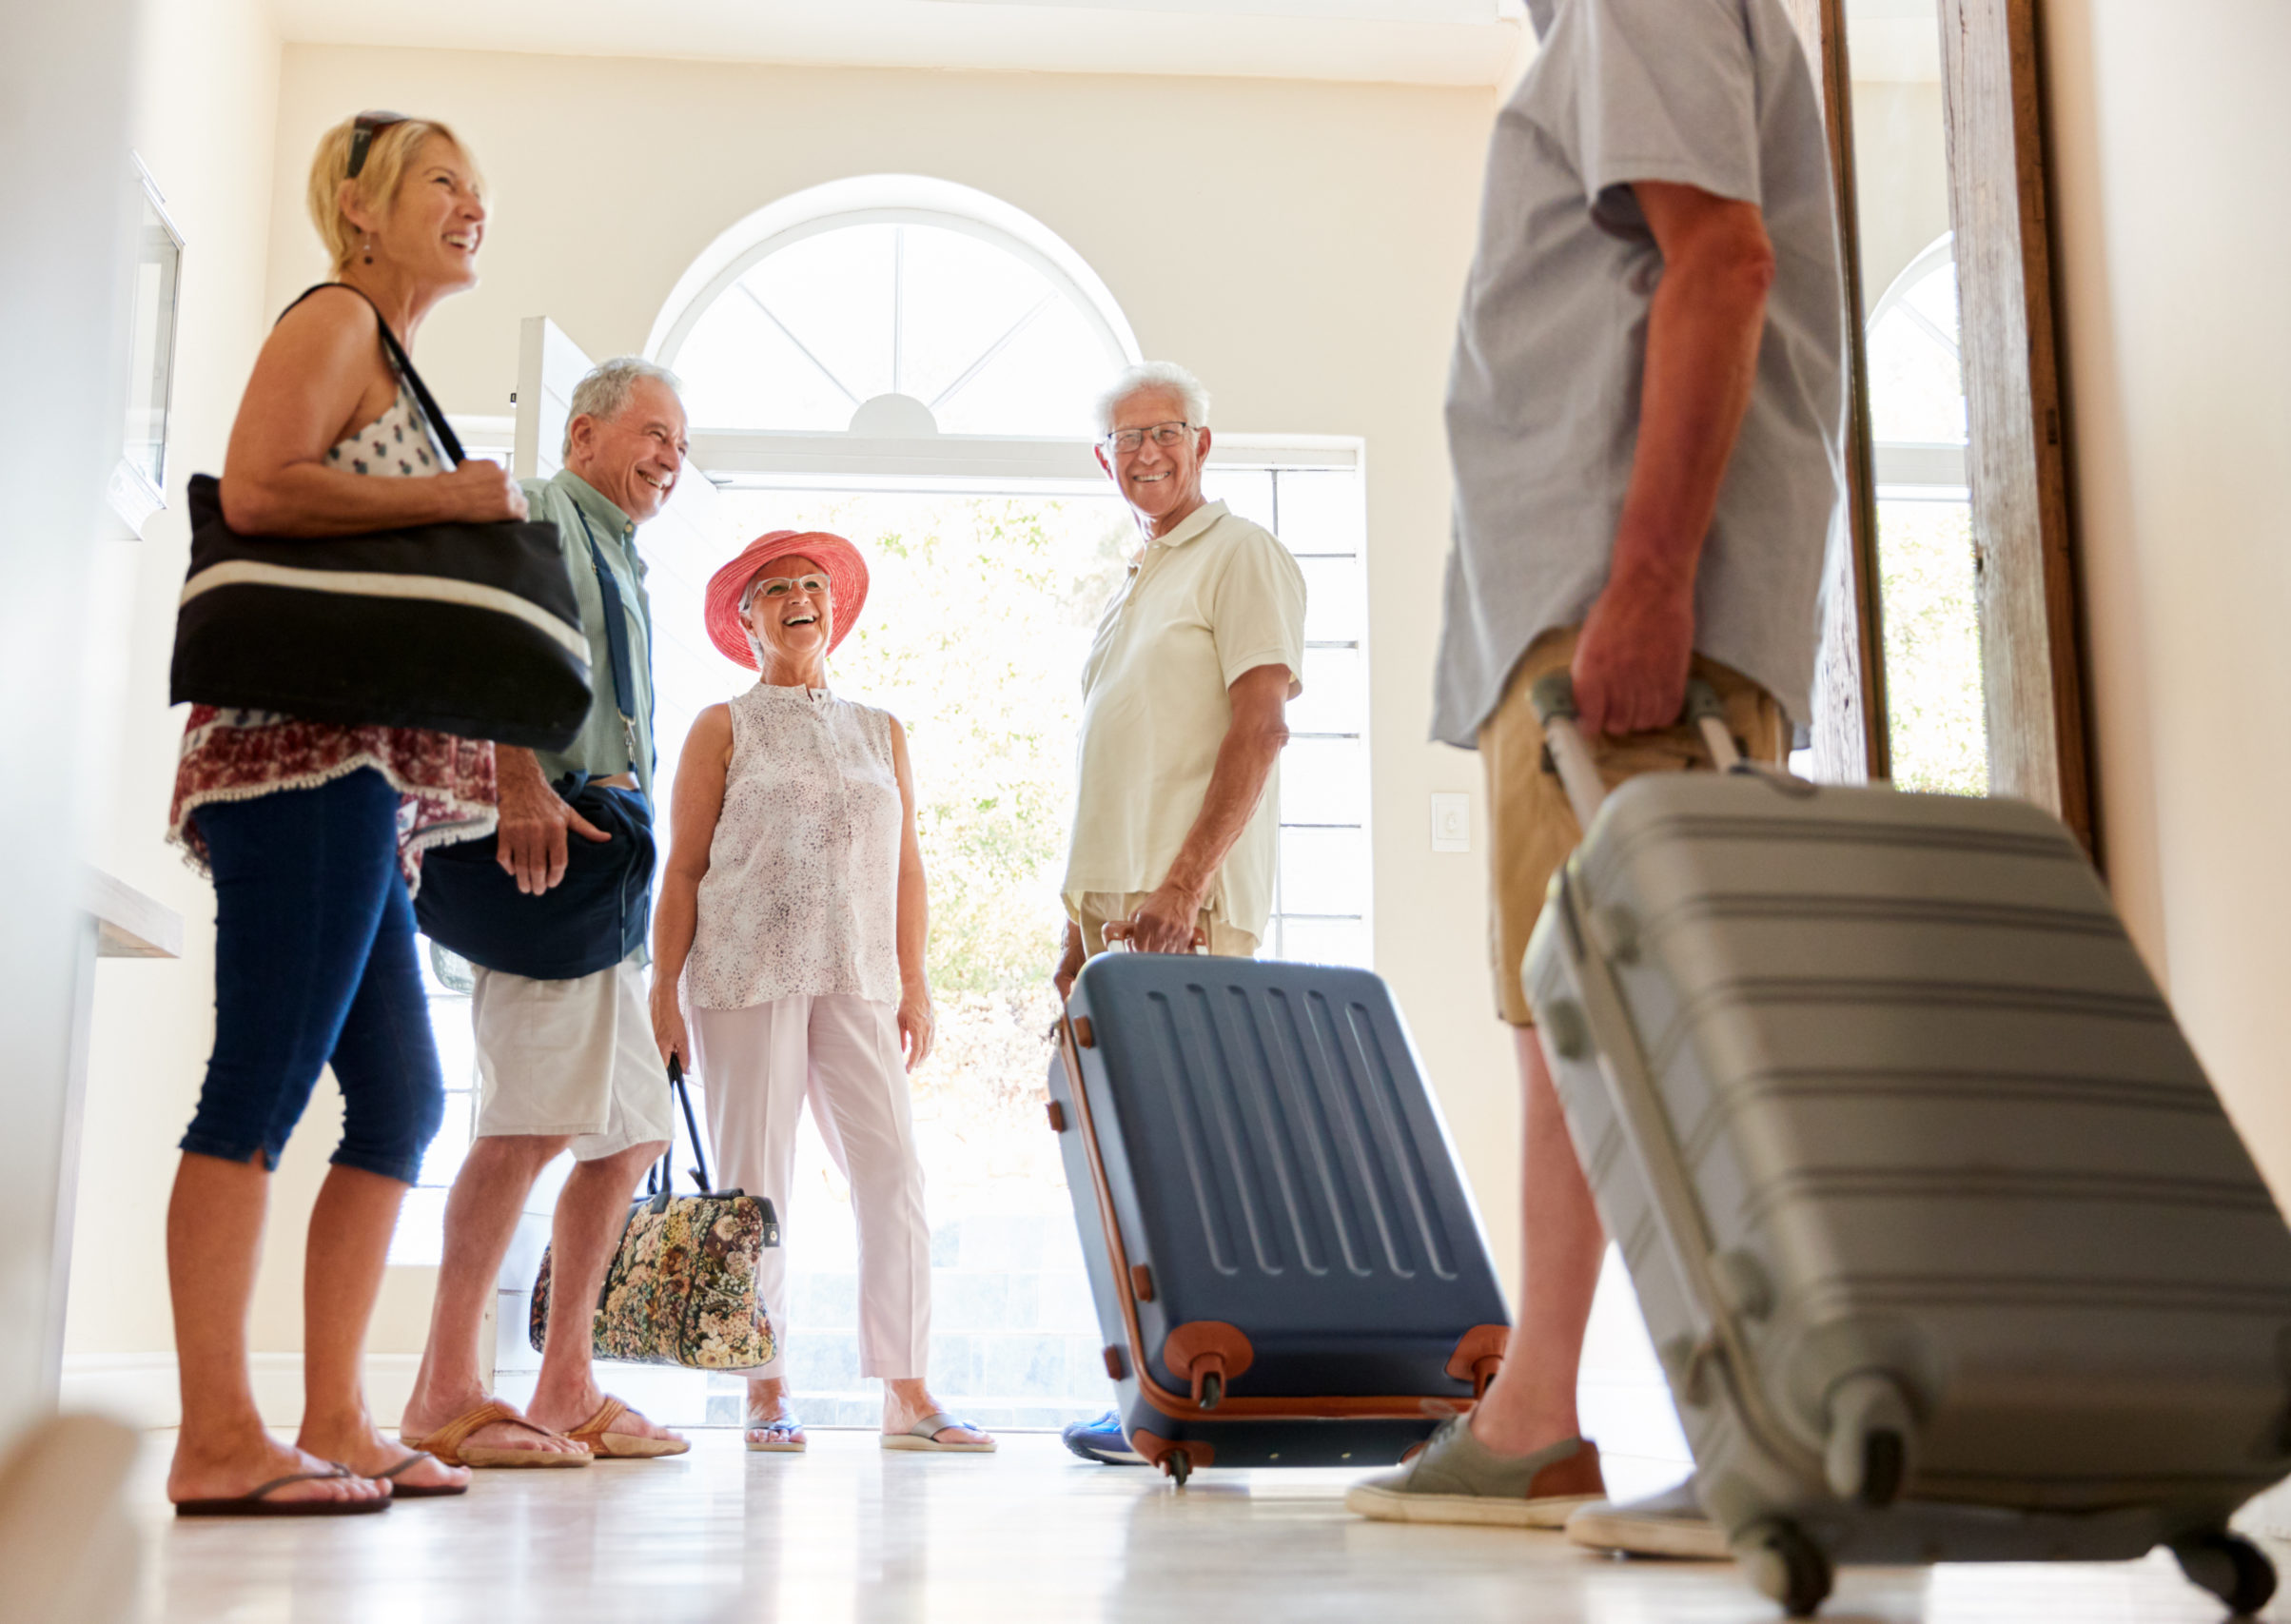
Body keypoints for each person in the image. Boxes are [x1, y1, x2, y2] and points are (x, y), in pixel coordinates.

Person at [1342, 0, 1846, 1557]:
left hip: (1616, 615)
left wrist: (1646, 585)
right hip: (1567, 610)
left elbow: (1725, 260)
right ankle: (1535, 1413)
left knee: (1655, 1022)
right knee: (1577, 1021)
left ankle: (1773, 1433)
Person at [160, 111, 516, 1513]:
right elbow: (256, 488)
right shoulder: (335, 318)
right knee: (258, 1079)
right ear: (362, 209)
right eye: (443, 179)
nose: (470, 202)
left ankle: (339, 1414)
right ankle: (215, 1434)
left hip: (357, 772)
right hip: (293, 756)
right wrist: (447, 498)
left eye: (478, 187)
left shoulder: (396, 356)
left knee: (405, 1095)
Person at [397, 358, 694, 1468]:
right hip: (542, 858)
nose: (670, 457)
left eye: (682, 444)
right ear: (583, 433)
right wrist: (517, 784)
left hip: (608, 878)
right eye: (653, 432)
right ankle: (441, 1392)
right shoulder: (538, 510)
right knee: (525, 1122)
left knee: (629, 1132)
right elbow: (482, 640)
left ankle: (566, 1384)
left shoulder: (620, 551)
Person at [648, 530, 993, 1456]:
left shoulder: (882, 730)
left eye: (814, 584)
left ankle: (909, 1394)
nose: (801, 596)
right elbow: (680, 869)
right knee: (755, 1186)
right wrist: (661, 989)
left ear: (833, 607)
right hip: (741, 974)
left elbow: (907, 866)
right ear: (746, 620)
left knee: (894, 1174)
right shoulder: (721, 726)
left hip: (858, 977)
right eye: (777, 588)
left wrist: (915, 983)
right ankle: (765, 1389)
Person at [1053, 362, 1307, 1466]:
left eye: (1166, 431)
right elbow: (1119, 763)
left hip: (1182, 913)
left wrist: (1183, 885)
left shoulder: (1238, 553)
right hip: (1120, 920)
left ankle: (1215, 1397)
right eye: (1126, 439)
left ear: (1205, 442)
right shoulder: (1135, 581)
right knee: (1140, 1168)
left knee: (1199, 1164)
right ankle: (1164, 1397)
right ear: (1104, 463)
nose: (1147, 451)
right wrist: (1077, 927)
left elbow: (1260, 729)